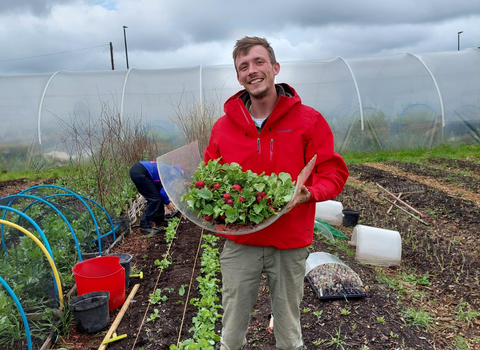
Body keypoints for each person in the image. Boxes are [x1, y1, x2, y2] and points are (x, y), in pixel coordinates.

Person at [204, 36, 349, 350]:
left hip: (288, 240)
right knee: (231, 333)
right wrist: (206, 205)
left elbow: (332, 172)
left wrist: (309, 193)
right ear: (239, 75)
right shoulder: (223, 127)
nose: (252, 70)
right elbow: (209, 178)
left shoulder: (308, 120)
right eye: (243, 66)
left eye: (258, 62)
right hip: (240, 242)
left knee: (288, 331)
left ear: (275, 68)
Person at [130, 160, 175, 233]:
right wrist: (167, 203)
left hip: (139, 169)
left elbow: (161, 191)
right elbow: (163, 193)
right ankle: (145, 225)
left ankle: (159, 218)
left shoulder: (172, 170)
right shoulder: (170, 176)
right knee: (154, 199)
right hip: (140, 172)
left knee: (157, 195)